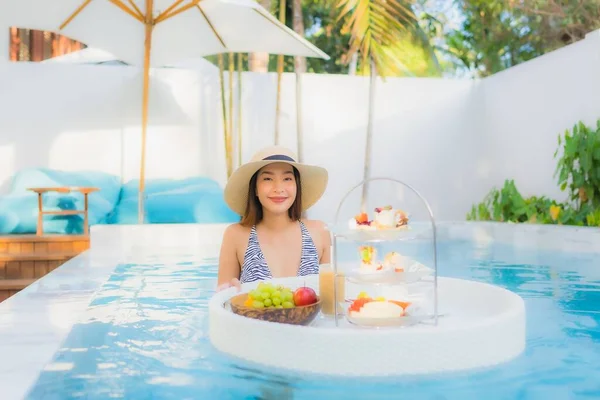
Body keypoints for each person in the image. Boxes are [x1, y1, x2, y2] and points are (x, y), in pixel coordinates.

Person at [217, 145, 330, 291]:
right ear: (255, 188)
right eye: (268, 178)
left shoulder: (320, 231)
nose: (278, 188)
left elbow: (332, 305)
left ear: (297, 186)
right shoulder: (235, 235)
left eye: (287, 178)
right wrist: (230, 294)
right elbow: (220, 303)